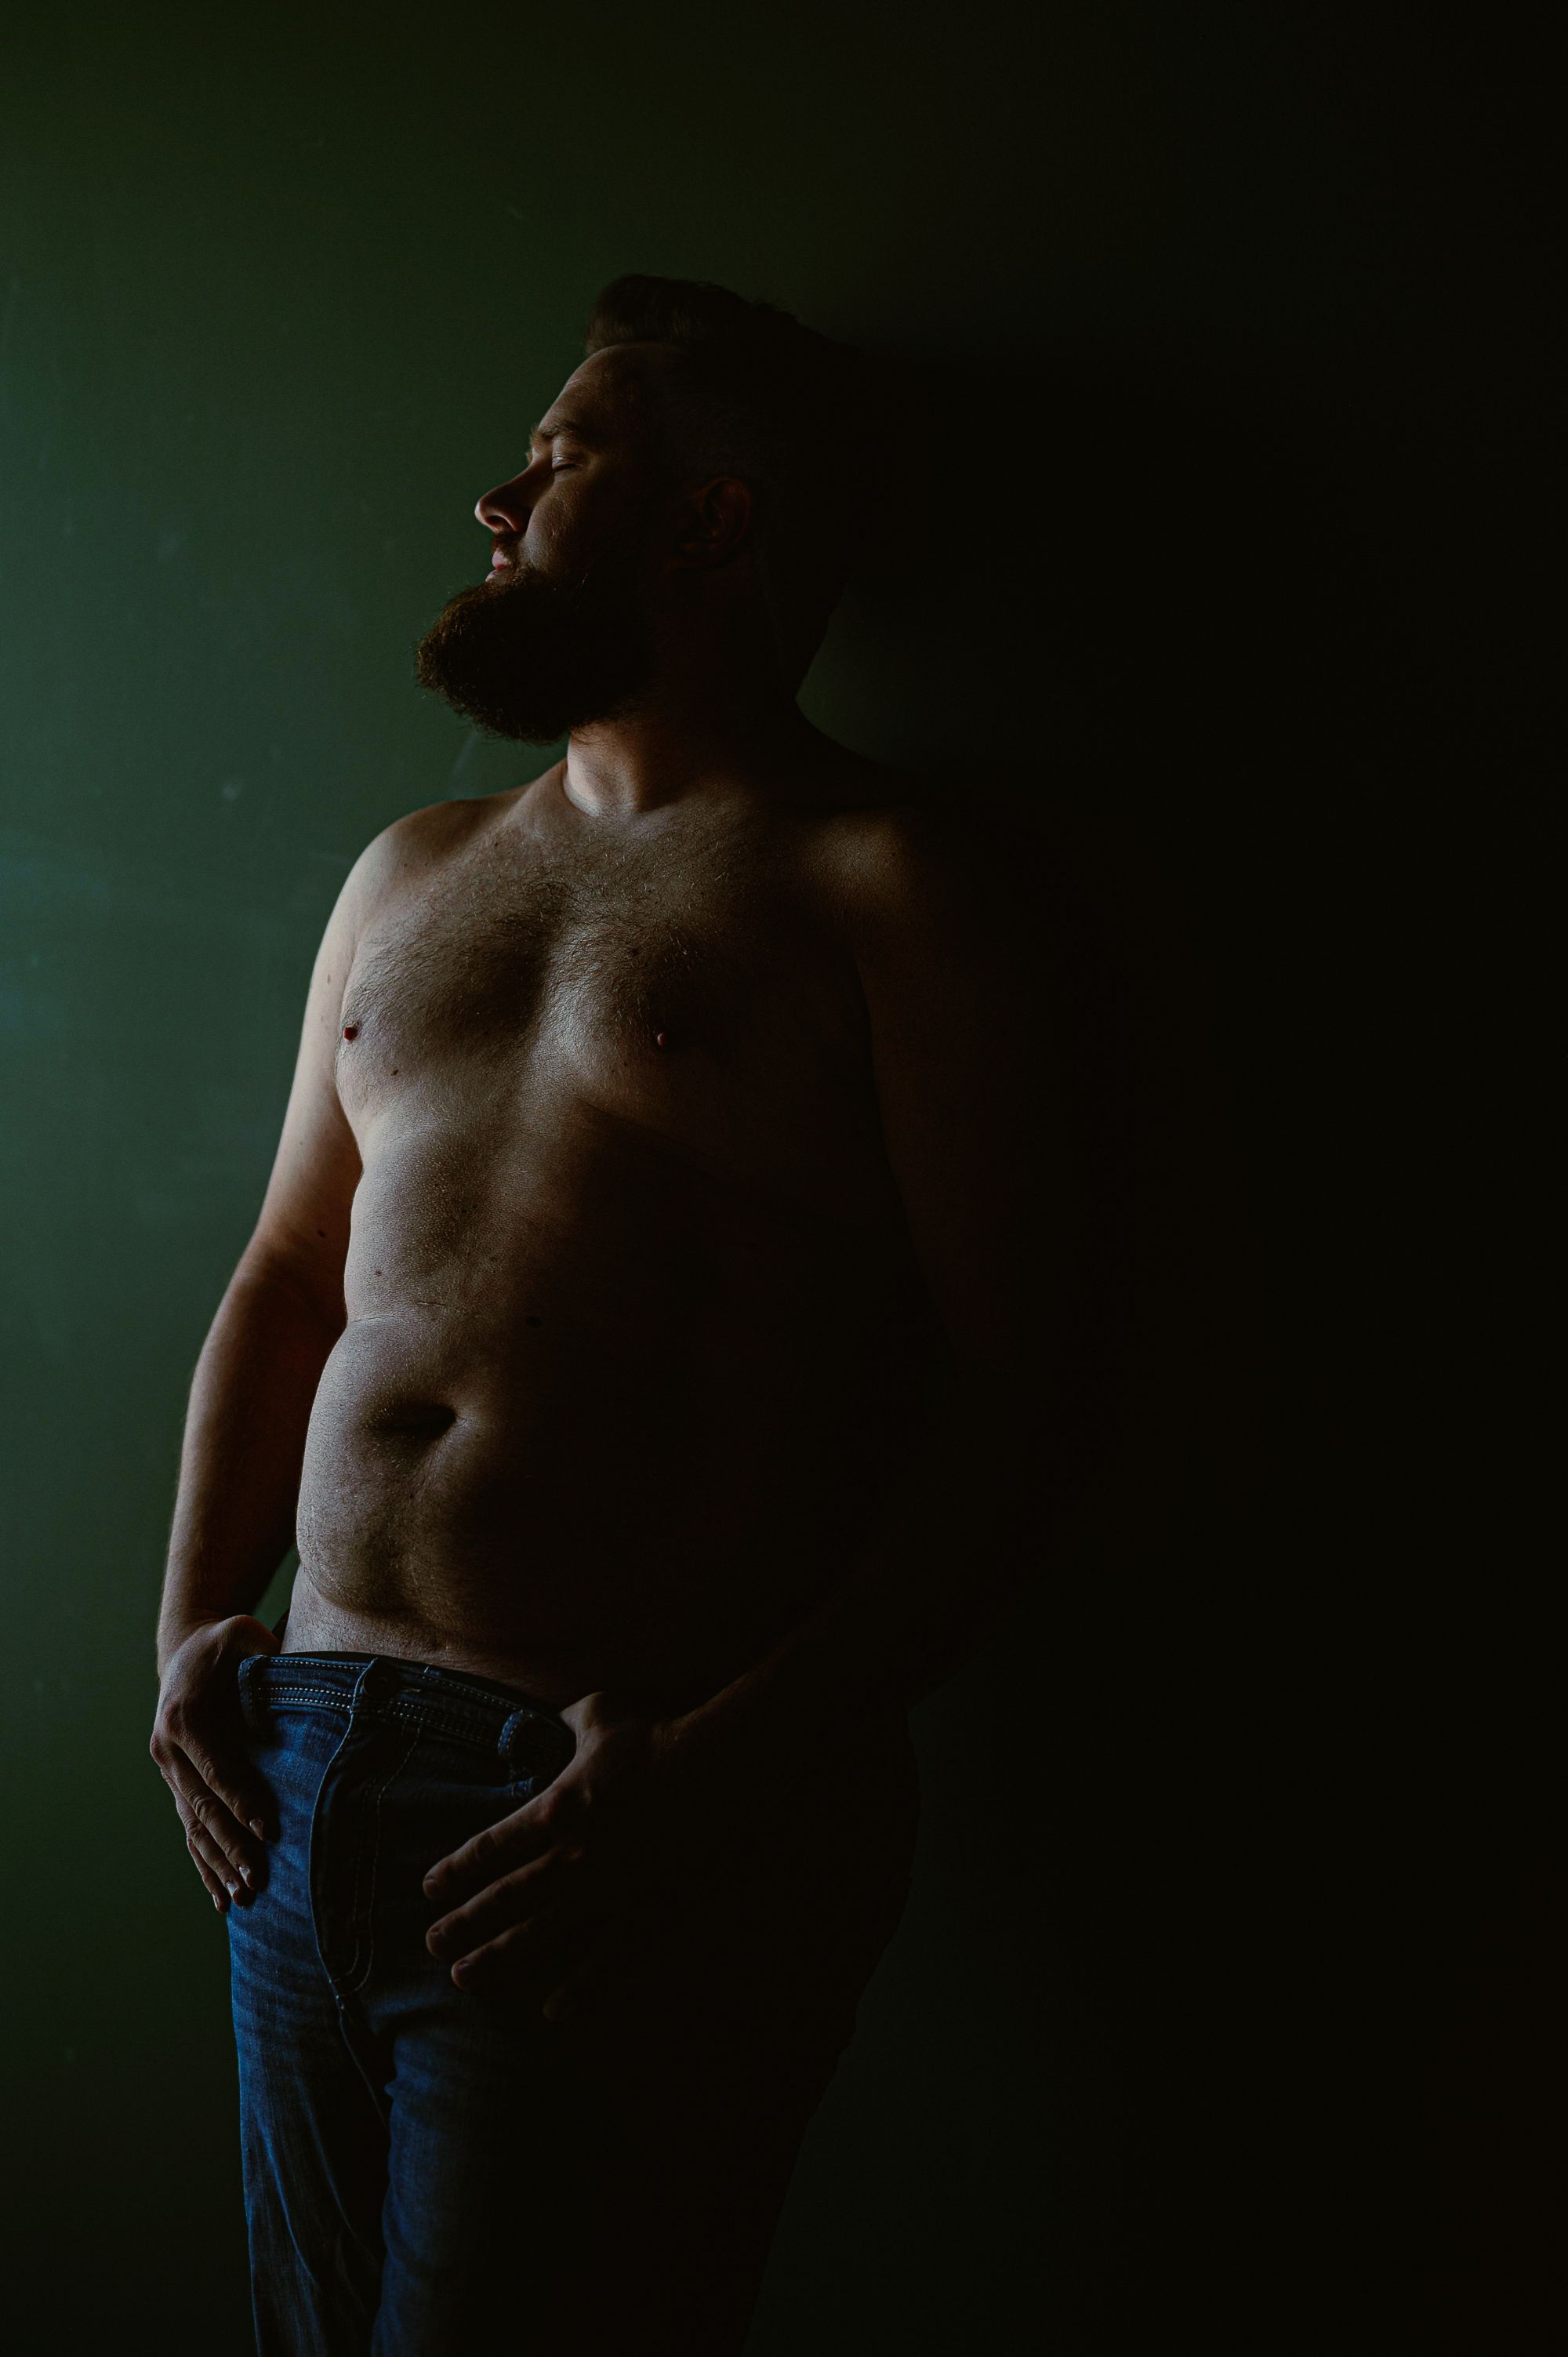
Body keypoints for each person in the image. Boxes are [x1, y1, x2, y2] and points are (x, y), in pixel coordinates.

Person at [149, 274, 1096, 2355]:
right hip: (299, 1764)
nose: (499, 500)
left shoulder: (882, 886)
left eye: (565, 456)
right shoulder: (411, 872)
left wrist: (727, 1770)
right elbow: (286, 1279)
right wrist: (190, 1638)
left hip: (619, 1808)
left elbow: (1033, 1400)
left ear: (711, 522)